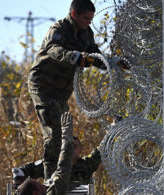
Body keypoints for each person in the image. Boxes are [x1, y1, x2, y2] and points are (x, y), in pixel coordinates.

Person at [28, 0, 105, 182]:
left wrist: (113, 63)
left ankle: (62, 180)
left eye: (91, 19)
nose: (89, 22)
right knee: (54, 135)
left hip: (62, 91)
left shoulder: (86, 34)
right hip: (43, 85)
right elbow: (53, 50)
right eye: (86, 18)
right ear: (74, 15)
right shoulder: (58, 29)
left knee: (66, 136)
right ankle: (51, 185)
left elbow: (95, 55)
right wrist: (74, 56)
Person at [17, 112, 75, 195]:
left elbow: (23, 192)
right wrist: (67, 139)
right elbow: (63, 170)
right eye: (40, 185)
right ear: (36, 193)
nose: (45, 185)